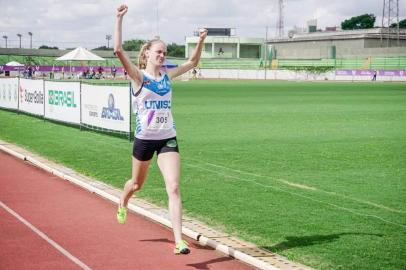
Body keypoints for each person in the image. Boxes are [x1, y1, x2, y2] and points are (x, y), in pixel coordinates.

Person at [114, 4, 207, 255]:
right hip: (144, 139)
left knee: (174, 187)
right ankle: (123, 201)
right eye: (158, 52)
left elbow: (193, 61)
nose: (162, 55)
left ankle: (179, 241)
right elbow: (117, 50)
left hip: (167, 138)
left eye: (165, 52)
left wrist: (200, 40)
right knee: (136, 184)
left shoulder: (167, 76)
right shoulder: (138, 77)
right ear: (147, 54)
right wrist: (119, 19)